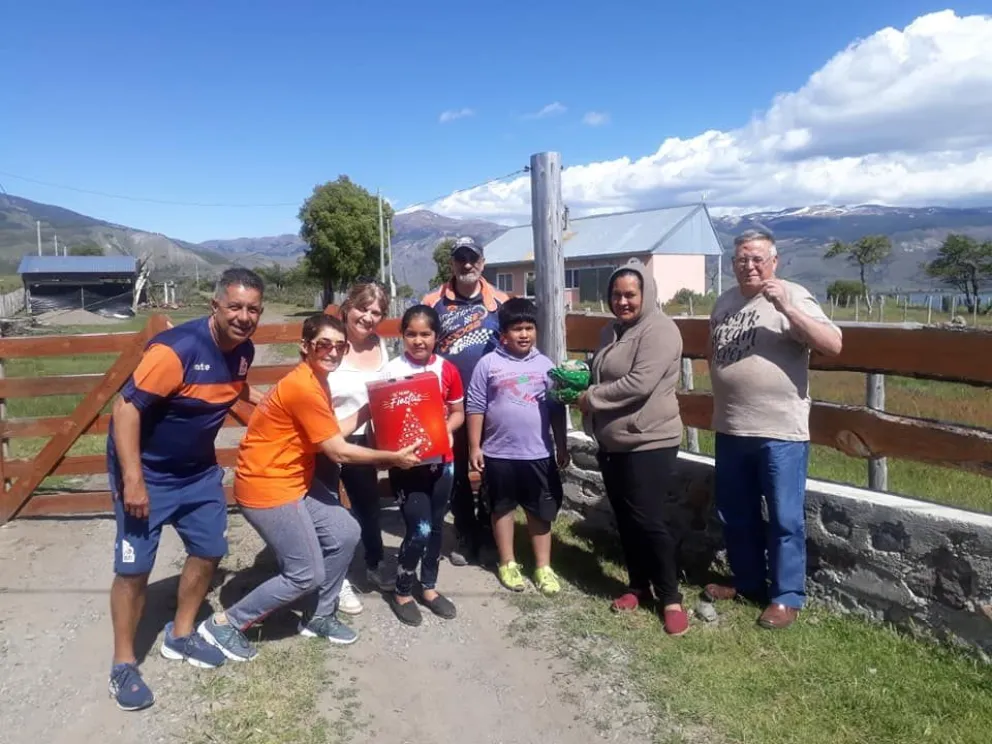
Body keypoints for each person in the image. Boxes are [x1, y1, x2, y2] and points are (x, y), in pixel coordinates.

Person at [197, 313, 420, 660]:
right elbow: (337, 450)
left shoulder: (318, 380)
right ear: (305, 346)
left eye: (339, 346)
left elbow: (331, 432)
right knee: (305, 574)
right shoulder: (303, 386)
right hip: (267, 486)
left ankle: (319, 616)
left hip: (294, 479)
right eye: (323, 344)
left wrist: (367, 410)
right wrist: (391, 458)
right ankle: (224, 625)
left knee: (345, 532)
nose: (332, 351)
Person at [106, 267, 265, 711]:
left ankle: (181, 633)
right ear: (215, 306)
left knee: (210, 549)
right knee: (134, 569)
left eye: (253, 309)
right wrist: (133, 480)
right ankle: (123, 663)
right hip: (148, 473)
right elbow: (125, 410)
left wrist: (273, 409)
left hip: (197, 473)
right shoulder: (176, 351)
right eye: (235, 306)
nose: (244, 316)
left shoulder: (244, 350)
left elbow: (234, 390)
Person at [705, 229, 842, 630]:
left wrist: (786, 307)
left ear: (774, 262)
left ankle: (786, 597)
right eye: (741, 259)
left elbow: (833, 344)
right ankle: (747, 581)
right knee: (736, 512)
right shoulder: (725, 301)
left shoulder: (793, 295)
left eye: (757, 259)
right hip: (731, 426)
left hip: (780, 430)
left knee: (784, 517)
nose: (749, 266)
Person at [577, 261, 690, 637]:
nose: (622, 301)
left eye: (630, 295)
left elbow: (640, 383)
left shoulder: (660, 330)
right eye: (616, 295)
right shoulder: (611, 330)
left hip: (649, 440)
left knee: (648, 519)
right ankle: (638, 585)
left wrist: (591, 398)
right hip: (614, 441)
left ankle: (671, 598)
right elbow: (602, 370)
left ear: (646, 294)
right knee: (625, 518)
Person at [466, 297, 569, 596]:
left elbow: (556, 409)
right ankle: (508, 562)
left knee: (540, 512)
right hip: (499, 454)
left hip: (538, 454)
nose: (524, 334)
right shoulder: (488, 364)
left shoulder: (545, 366)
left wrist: (561, 446)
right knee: (502, 509)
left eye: (529, 328)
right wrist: (475, 446)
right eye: (516, 329)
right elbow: (475, 406)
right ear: (503, 334)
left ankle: (543, 567)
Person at [422, 236, 508, 567]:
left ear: (483, 262)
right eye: (460, 258)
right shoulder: (433, 303)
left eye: (473, 258)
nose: (467, 264)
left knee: (492, 469)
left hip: (493, 404)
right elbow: (420, 348)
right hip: (449, 407)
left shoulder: (500, 303)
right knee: (455, 470)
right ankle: (465, 531)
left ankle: (488, 531)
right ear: (452, 263)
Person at [379, 305, 465, 626]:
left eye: (425, 334)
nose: (418, 340)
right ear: (402, 336)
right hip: (407, 466)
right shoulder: (390, 371)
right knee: (420, 529)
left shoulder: (448, 370)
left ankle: (428, 587)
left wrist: (447, 429)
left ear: (436, 336)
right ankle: (402, 591)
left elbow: (458, 412)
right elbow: (381, 418)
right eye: (411, 334)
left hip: (442, 463)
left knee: (437, 526)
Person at [316, 282, 394, 617]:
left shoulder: (380, 345)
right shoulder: (331, 345)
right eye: (363, 308)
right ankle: (338, 579)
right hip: (326, 439)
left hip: (364, 441)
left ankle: (375, 562)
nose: (368, 317)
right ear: (348, 307)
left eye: (376, 312)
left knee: (368, 506)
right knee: (329, 511)